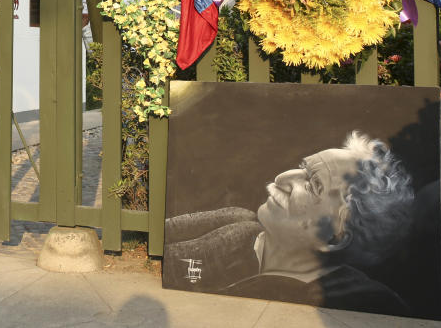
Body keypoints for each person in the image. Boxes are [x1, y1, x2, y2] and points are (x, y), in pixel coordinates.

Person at [163, 131, 416, 316]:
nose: (282, 177)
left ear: (336, 237)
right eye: (301, 168)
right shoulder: (236, 220)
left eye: (313, 186)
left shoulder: (368, 302)